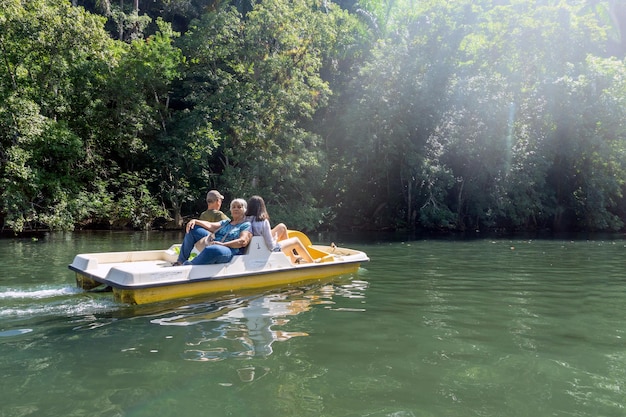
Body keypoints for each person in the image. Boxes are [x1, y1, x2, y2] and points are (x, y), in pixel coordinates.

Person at [173, 198, 252, 266]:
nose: (236, 209)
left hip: (229, 250)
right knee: (193, 228)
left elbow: (242, 241)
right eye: (233, 207)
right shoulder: (226, 222)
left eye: (239, 207)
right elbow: (210, 225)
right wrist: (195, 221)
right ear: (230, 210)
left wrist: (223, 244)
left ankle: (188, 266)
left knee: (213, 249)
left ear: (244, 210)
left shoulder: (245, 225)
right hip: (215, 242)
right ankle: (181, 261)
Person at [245, 195, 314, 263]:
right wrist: (275, 238)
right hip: (268, 250)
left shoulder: (245, 220)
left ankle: (292, 256)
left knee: (282, 227)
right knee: (296, 241)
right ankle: (312, 262)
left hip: (255, 248)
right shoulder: (263, 222)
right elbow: (271, 246)